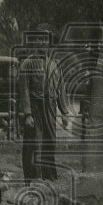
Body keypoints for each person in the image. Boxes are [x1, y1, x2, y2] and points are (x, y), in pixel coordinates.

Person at [17, 23, 69, 182]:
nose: (42, 42)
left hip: (50, 108)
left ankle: (49, 176)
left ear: (49, 42)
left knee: (50, 142)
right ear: (34, 41)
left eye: (45, 39)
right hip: (35, 108)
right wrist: (27, 114)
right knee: (35, 144)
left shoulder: (56, 64)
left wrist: (65, 112)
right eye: (38, 38)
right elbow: (24, 90)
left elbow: (61, 89)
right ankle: (34, 178)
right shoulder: (27, 63)